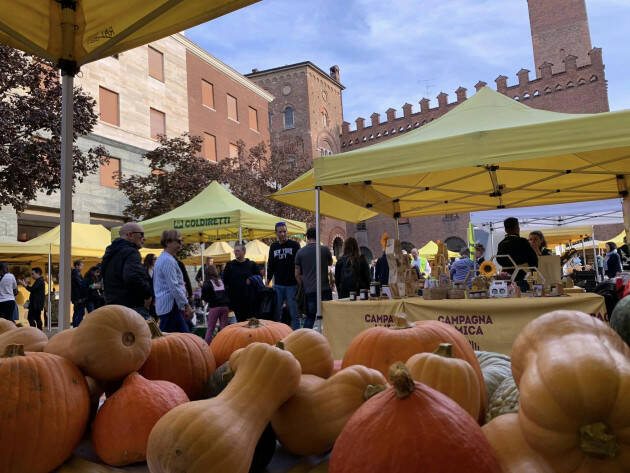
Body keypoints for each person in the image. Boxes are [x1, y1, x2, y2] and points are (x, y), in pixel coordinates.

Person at [101, 222, 153, 313]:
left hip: (112, 306)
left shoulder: (110, 253)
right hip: (132, 307)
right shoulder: (131, 252)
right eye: (141, 235)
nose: (144, 239)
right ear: (130, 235)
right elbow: (133, 277)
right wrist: (147, 295)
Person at [153, 229, 193, 332]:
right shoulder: (167, 260)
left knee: (176, 339)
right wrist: (186, 305)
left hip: (169, 306)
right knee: (182, 339)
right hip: (171, 306)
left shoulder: (164, 259)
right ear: (167, 242)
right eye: (178, 241)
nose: (181, 244)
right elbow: (174, 286)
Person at [294, 227, 333, 329]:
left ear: (307, 237)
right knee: (329, 317)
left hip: (310, 290)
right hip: (324, 288)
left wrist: (303, 284)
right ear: (317, 236)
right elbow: (330, 263)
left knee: (310, 317)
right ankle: (330, 339)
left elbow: (297, 274)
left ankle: (306, 339)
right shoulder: (324, 249)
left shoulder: (300, 252)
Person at [267, 222, 301, 323]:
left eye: (284, 231)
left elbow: (299, 264)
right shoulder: (273, 247)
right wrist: (267, 280)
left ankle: (297, 335)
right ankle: (277, 334)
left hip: (292, 285)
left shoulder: (295, 245)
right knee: (276, 313)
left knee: (294, 313)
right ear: (276, 233)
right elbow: (271, 264)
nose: (282, 234)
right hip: (278, 285)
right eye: (280, 232)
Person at [496, 217, 538, 291]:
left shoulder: (501, 244)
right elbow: (533, 260)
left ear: (505, 229)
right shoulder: (522, 241)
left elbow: (499, 260)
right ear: (517, 228)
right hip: (522, 276)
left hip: (506, 277)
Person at [223, 243, 259, 322]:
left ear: (244, 252)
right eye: (235, 251)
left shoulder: (252, 265)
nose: (235, 253)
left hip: (250, 300)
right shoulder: (230, 265)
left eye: (238, 251)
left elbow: (259, 278)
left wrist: (252, 279)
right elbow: (225, 282)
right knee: (240, 323)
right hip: (236, 301)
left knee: (251, 322)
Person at [202, 264, 230, 343]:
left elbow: (205, 297)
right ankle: (224, 343)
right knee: (224, 328)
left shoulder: (207, 283)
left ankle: (207, 346)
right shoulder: (221, 281)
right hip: (225, 307)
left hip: (214, 307)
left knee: (210, 328)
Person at [71, 260, 85, 327]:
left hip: (76, 296)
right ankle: (77, 327)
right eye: (81, 266)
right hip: (78, 297)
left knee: (77, 312)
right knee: (79, 312)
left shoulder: (74, 273)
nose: (82, 267)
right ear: (77, 266)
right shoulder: (76, 273)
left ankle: (76, 326)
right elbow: (80, 284)